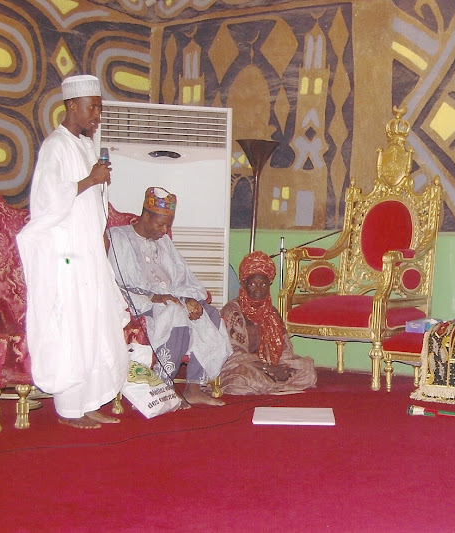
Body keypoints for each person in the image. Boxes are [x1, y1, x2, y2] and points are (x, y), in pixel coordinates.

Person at [17, 74, 130, 429]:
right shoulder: (56, 146)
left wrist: (101, 233)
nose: (97, 114)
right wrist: (90, 180)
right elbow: (47, 202)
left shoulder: (85, 145)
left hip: (88, 254)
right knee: (72, 328)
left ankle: (87, 400)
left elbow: (91, 202)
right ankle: (68, 409)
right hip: (66, 256)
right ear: (71, 106)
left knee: (94, 326)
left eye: (99, 107)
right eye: (92, 107)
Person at [107, 187, 232, 406]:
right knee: (175, 314)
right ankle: (163, 387)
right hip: (140, 303)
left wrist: (190, 299)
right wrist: (157, 298)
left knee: (209, 313)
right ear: (146, 215)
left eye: (168, 225)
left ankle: (193, 386)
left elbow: (182, 277)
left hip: (171, 300)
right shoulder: (118, 238)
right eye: (160, 224)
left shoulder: (163, 241)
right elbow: (118, 282)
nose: (165, 230)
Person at [219, 251, 317, 394]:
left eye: (263, 284)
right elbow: (234, 354)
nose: (258, 289)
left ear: (269, 285)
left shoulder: (272, 312)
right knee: (239, 379)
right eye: (253, 284)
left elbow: (285, 349)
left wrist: (280, 367)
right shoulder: (232, 311)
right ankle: (274, 384)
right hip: (244, 366)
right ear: (244, 284)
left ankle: (268, 384)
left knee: (307, 370)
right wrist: (265, 367)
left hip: (272, 366)